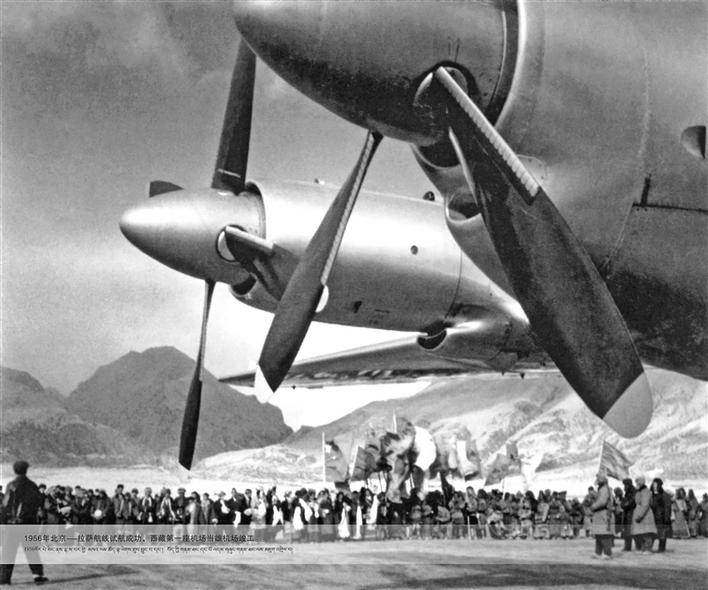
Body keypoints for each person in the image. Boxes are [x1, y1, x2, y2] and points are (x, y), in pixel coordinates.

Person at [0, 461, 49, 585]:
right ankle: (37, 575)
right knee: (31, 549)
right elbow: (38, 503)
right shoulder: (32, 486)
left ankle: (4, 578)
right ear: (26, 470)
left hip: (13, 523)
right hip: (29, 523)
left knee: (8, 551)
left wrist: (3, 521)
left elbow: (6, 505)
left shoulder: (11, 485)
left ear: (15, 470)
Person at [590, 472, 614, 559]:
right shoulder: (603, 489)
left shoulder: (604, 489)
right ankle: (598, 552)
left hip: (603, 514)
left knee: (604, 534)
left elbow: (602, 502)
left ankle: (607, 553)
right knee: (599, 534)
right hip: (600, 514)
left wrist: (593, 506)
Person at [632, 476, 657, 553]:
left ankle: (647, 549)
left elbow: (645, 505)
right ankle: (642, 548)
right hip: (640, 514)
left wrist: (640, 515)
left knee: (647, 532)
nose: (636, 484)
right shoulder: (640, 491)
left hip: (645, 515)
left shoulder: (645, 492)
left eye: (637, 482)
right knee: (641, 533)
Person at [650, 478, 672, 553]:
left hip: (661, 518)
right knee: (652, 534)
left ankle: (661, 549)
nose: (654, 486)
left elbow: (667, 508)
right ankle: (649, 548)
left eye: (656, 485)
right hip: (653, 518)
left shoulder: (665, 495)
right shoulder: (651, 495)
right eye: (653, 484)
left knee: (662, 535)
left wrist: (666, 518)